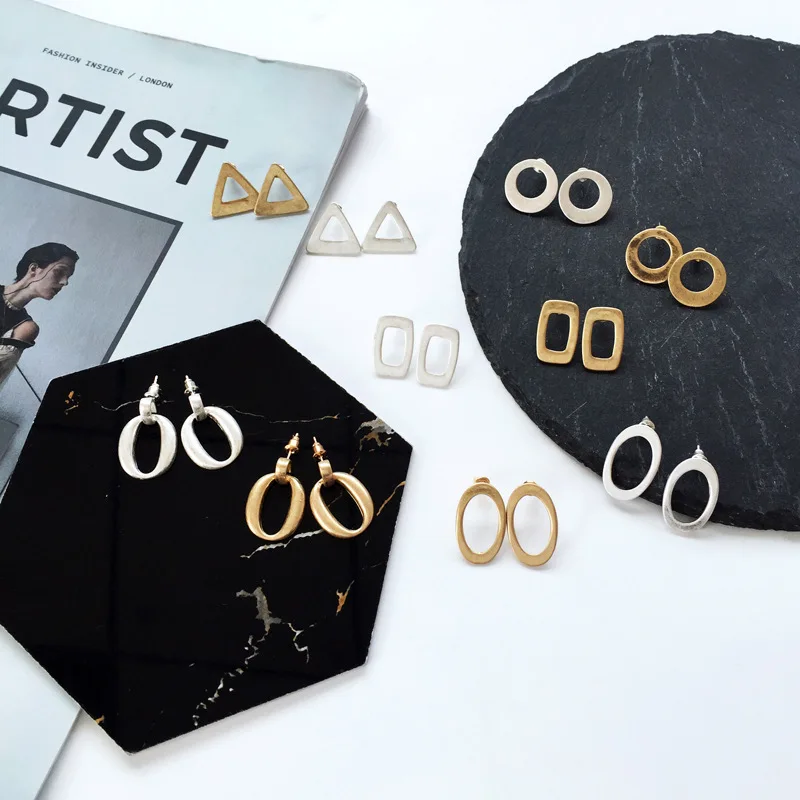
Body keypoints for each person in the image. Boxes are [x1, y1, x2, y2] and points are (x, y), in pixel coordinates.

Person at [0, 242, 79, 390]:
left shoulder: (25, 328)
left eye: (68, 277)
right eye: (59, 272)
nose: (65, 282)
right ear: (33, 269)